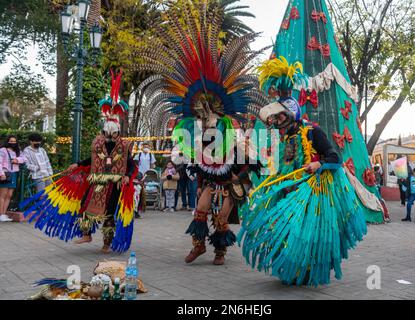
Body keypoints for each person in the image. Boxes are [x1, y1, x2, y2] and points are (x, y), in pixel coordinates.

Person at [137, 2, 267, 266]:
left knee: (221, 218)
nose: (205, 120)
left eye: (208, 116)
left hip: (230, 182)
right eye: (201, 116)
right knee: (200, 211)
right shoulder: (197, 137)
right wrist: (195, 169)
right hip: (209, 182)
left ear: (218, 114)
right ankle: (199, 246)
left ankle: (220, 252)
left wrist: (238, 175)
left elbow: (250, 160)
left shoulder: (231, 132)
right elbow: (193, 159)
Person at [238, 57, 367, 286]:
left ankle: (309, 269)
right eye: (275, 118)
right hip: (289, 191)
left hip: (313, 193)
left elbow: (334, 156)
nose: (276, 121)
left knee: (309, 233)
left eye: (279, 116)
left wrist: (319, 164)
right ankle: (293, 266)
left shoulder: (312, 132)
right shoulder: (286, 137)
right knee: (285, 228)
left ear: (292, 114)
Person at [21, 70, 138, 253]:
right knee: (85, 207)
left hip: (114, 185)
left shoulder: (124, 146)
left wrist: (128, 176)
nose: (109, 137)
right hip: (97, 182)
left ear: (117, 132)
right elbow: (91, 160)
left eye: (112, 133)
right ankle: (86, 234)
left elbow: (131, 164)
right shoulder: (98, 143)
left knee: (109, 214)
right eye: (106, 133)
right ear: (104, 132)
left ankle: (107, 243)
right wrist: (78, 164)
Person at [0, 135, 25, 222]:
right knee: (2, 195)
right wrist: (1, 173)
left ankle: (4, 213)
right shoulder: (3, 150)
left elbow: (24, 158)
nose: (13, 143)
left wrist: (17, 160)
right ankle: (1, 214)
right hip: (5, 173)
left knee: (9, 195)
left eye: (14, 141)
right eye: (11, 141)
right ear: (7, 141)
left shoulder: (17, 151)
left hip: (14, 173)